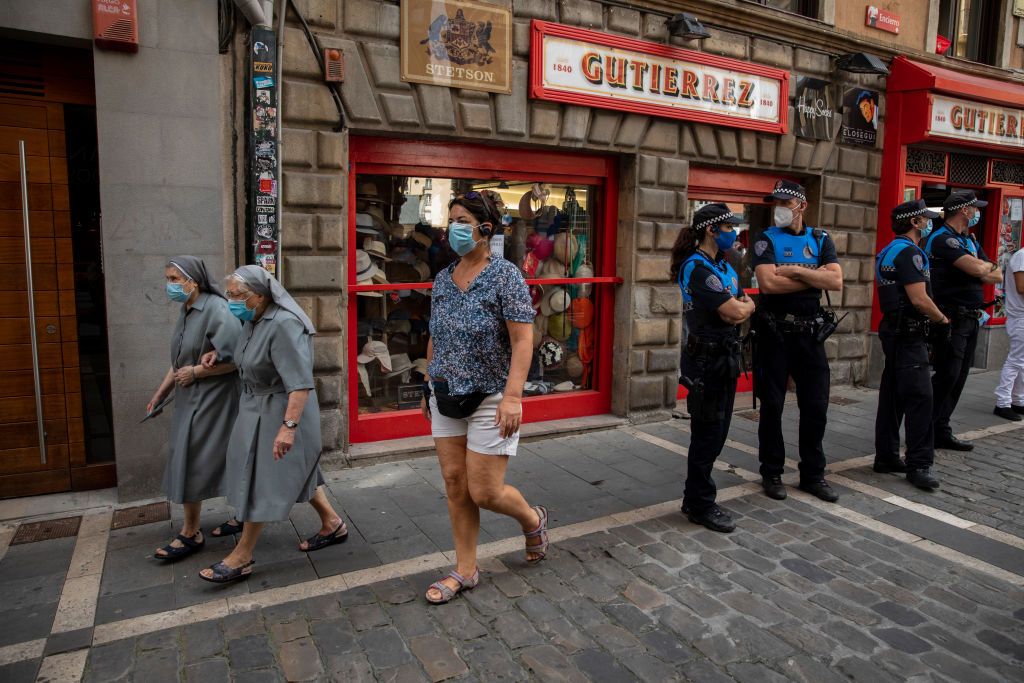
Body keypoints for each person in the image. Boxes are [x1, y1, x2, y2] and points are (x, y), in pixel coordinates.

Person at [419, 190, 547, 604]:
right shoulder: (443, 278)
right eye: (449, 220)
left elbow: (523, 341)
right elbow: (435, 335)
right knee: (455, 484)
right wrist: (428, 382)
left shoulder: (506, 276)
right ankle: (465, 570)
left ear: (485, 229)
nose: (451, 228)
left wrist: (514, 397)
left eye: (460, 220)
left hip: (492, 395)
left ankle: (531, 518)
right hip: (445, 393)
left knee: (485, 491)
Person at [197, 265, 347, 583]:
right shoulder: (253, 319)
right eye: (230, 294)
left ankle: (242, 555)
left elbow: (299, 384)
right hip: (255, 406)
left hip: (281, 409)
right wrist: (217, 354)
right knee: (294, 470)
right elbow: (248, 355)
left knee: (260, 478)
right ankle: (332, 523)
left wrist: (288, 427)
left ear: (261, 296)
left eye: (238, 295)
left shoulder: (284, 324)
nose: (232, 301)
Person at [752, 180, 843, 503]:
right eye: (774, 202)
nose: (778, 209)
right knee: (773, 406)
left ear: (801, 205)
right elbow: (768, 285)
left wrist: (792, 271)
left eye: (784, 203)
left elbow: (836, 280)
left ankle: (813, 475)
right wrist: (811, 277)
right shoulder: (765, 240)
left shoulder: (820, 238)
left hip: (810, 335)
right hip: (775, 333)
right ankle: (771, 471)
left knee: (816, 405)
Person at [149, 257, 241, 560]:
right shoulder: (187, 309)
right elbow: (180, 360)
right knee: (199, 457)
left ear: (194, 280)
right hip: (191, 398)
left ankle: (191, 532)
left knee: (193, 459)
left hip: (214, 400)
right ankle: (237, 516)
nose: (170, 285)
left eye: (175, 278)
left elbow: (236, 358)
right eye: (168, 278)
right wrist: (161, 392)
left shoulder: (217, 310)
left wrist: (196, 373)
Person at [672, 204, 756, 532]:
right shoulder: (697, 267)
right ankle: (701, 504)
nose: (732, 233)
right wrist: (737, 308)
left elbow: (741, 304)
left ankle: (694, 496)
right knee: (707, 434)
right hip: (706, 360)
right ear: (711, 230)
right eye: (728, 228)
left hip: (726, 356)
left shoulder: (723, 265)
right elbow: (734, 310)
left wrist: (738, 308)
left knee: (719, 432)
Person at [874, 201, 949, 491]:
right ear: (915, 222)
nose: (929, 223)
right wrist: (943, 320)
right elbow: (919, 298)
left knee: (892, 395)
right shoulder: (910, 253)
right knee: (921, 398)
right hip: (908, 334)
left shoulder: (888, 250)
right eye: (926, 219)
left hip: (893, 331)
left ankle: (887, 455)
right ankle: (919, 464)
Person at [924, 190, 1003, 450]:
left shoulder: (968, 240)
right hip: (950, 317)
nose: (977, 213)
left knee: (959, 376)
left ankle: (941, 428)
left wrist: (983, 268)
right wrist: (981, 269)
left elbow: (996, 273)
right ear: (964, 210)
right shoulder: (943, 239)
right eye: (974, 208)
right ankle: (927, 429)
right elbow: (978, 269)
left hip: (971, 318)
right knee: (947, 374)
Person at [994, 243, 1024, 421]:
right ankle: (1002, 402)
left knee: (1021, 362)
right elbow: (1021, 287)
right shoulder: (1021, 256)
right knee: (1015, 361)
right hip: (1020, 317)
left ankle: (1018, 400)